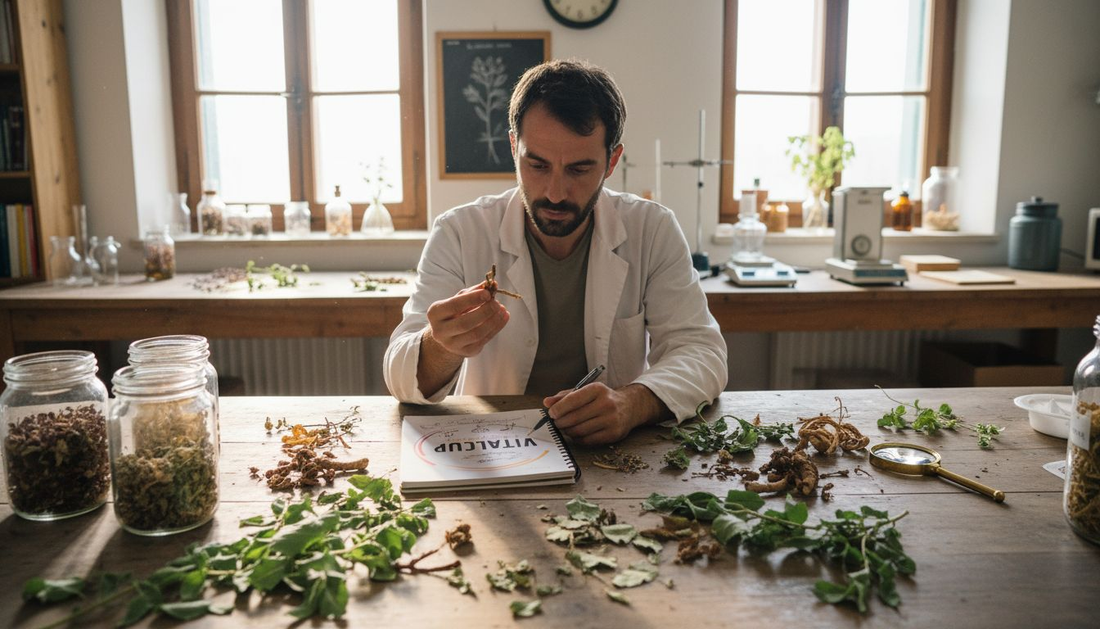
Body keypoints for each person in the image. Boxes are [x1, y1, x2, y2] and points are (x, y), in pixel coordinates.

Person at [384, 59, 727, 445]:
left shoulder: (652, 229)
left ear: (612, 161)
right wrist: (439, 345)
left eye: (579, 169)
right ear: (514, 148)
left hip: (614, 453)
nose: (555, 192)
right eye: (538, 165)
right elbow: (399, 374)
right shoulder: (460, 232)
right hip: (490, 449)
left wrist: (633, 404)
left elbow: (702, 353)